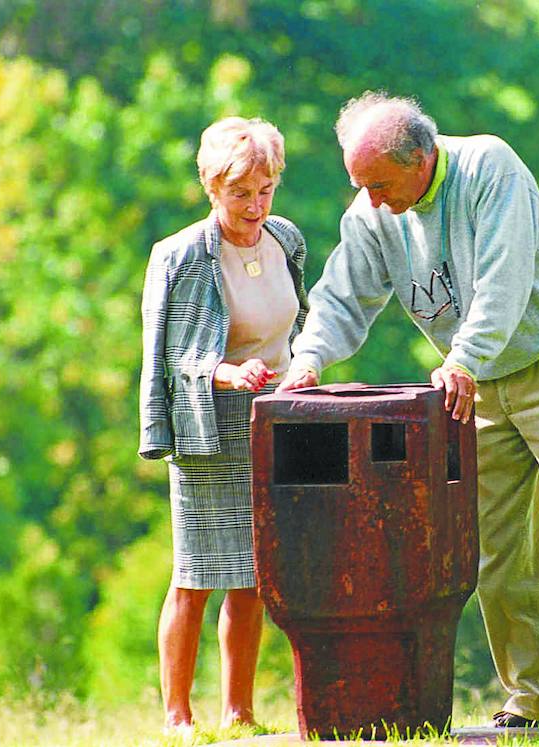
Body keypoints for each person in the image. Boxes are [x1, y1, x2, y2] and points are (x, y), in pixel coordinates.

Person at [279, 92, 539, 732]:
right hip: (472, 382)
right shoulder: (372, 212)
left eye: (380, 184)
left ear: (421, 158)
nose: (369, 200)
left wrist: (464, 359)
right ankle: (535, 703)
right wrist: (308, 359)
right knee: (497, 549)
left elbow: (505, 281)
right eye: (359, 185)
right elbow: (343, 294)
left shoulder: (489, 168)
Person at [138, 116, 309, 732]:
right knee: (197, 573)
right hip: (209, 429)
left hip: (274, 422)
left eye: (265, 190)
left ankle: (239, 713)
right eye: (241, 193)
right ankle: (177, 716)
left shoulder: (285, 240)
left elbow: (300, 319)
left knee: (255, 575)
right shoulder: (181, 256)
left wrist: (302, 367)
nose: (255, 205)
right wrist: (223, 372)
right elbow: (170, 354)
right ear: (212, 187)